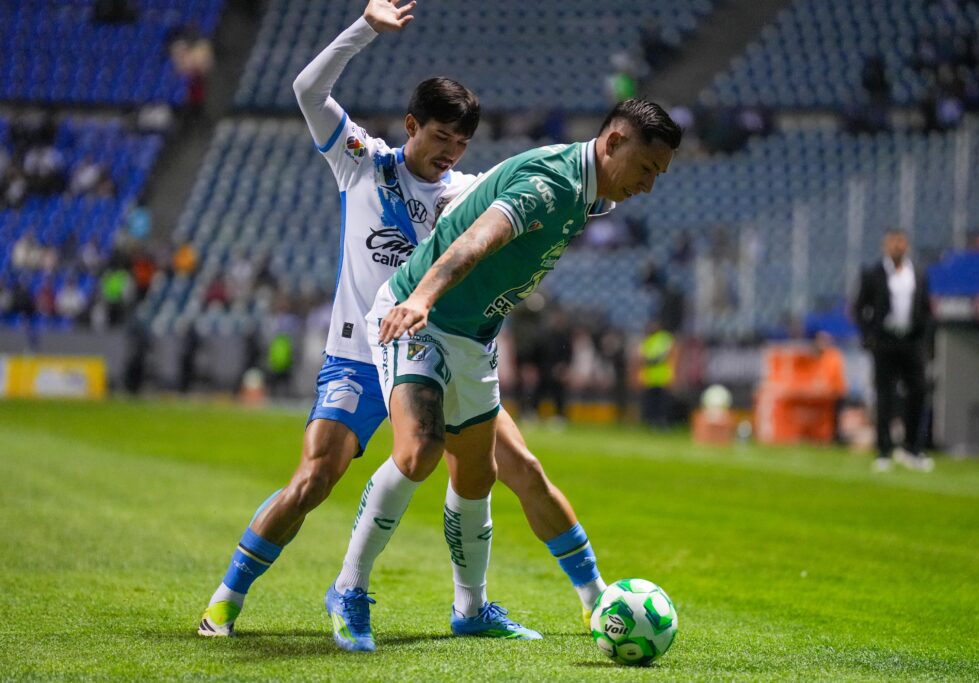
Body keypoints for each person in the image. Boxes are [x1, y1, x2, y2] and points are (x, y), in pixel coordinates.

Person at [199, 0, 608, 649]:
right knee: (313, 480)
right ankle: (226, 599)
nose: (450, 152)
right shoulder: (362, 161)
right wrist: (364, 28)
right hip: (359, 359)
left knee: (517, 468)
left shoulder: (464, 193)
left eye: (461, 143)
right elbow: (307, 90)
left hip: (432, 354)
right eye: (441, 136)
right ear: (412, 125)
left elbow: (519, 200)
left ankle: (571, 601)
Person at [350, 97, 680, 649]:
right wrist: (423, 298)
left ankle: (496, 607)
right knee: (420, 450)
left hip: (473, 336)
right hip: (422, 316)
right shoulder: (553, 184)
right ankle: (350, 589)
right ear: (614, 142)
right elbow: (479, 238)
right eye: (646, 169)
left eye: (657, 176)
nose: (647, 185)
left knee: (494, 471)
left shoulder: (589, 193)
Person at [853, 229, 934, 472]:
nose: (897, 246)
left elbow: (926, 308)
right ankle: (884, 451)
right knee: (885, 396)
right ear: (885, 246)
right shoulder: (873, 273)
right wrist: (869, 336)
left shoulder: (917, 273)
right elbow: (859, 307)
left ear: (906, 245)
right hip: (885, 342)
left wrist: (924, 338)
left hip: (911, 341)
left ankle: (912, 448)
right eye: (893, 242)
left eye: (901, 242)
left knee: (918, 392)